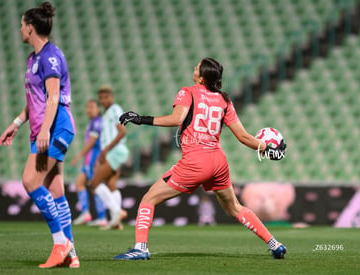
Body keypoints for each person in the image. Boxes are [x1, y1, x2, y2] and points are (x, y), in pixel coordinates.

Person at [115, 57, 287, 260]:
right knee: (235, 208)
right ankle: (275, 244)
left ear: (203, 77)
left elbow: (176, 119)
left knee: (148, 199)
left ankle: (141, 248)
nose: (194, 68)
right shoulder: (225, 101)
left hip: (195, 161)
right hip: (218, 162)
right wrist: (267, 148)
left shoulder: (188, 92)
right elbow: (243, 136)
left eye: (197, 67)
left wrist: (141, 119)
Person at [0, 2, 79, 268]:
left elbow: (53, 96)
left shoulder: (50, 56)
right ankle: (71, 255)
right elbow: (35, 99)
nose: (20, 28)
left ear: (30, 28)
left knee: (31, 181)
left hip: (56, 127)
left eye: (22, 24)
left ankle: (60, 243)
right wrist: (16, 123)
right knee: (56, 190)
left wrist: (45, 129)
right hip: (42, 128)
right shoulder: (33, 58)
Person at [90, 85, 129, 230]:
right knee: (111, 183)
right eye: (101, 98)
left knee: (94, 183)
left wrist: (105, 150)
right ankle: (116, 221)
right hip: (115, 151)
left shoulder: (115, 109)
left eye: (106, 97)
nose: (103, 100)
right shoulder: (107, 113)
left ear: (111, 97)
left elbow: (122, 131)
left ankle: (116, 212)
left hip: (114, 151)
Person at [71, 100, 108, 226]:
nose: (88, 110)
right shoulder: (92, 122)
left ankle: (102, 217)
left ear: (98, 109)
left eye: (92, 107)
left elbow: (92, 142)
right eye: (87, 107)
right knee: (79, 183)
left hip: (93, 158)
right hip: (88, 159)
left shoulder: (97, 122)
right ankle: (85, 212)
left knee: (95, 186)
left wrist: (78, 156)